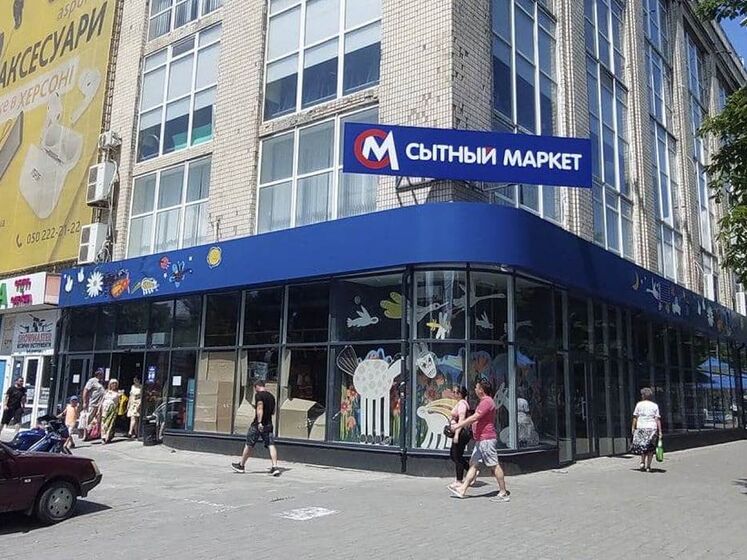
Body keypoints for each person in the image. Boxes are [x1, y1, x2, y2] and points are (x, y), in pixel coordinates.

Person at [448, 380, 510, 502]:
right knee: (474, 464)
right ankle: (462, 490)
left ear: (481, 390)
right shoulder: (483, 401)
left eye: (477, 387)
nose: (475, 390)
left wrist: (458, 425)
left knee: (494, 465)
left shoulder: (487, 402)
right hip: (480, 440)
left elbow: (475, 417)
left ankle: (503, 492)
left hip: (486, 439)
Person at [232, 380, 280, 476]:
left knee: (249, 444)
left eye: (255, 388)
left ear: (257, 386)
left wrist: (259, 422)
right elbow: (273, 412)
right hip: (269, 424)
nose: (255, 390)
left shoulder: (259, 395)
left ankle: (241, 466)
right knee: (271, 444)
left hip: (258, 425)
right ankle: (275, 467)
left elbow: (260, 408)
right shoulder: (272, 396)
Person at [630, 387, 662, 472]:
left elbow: (635, 417)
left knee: (642, 446)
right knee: (650, 448)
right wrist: (660, 431)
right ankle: (648, 466)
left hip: (641, 427)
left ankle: (642, 462)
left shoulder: (639, 405)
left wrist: (633, 427)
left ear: (643, 395)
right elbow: (657, 419)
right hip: (652, 428)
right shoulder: (655, 405)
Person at [448, 386, 471, 490]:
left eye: (455, 392)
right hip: (459, 432)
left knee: (457, 456)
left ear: (460, 394)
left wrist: (457, 434)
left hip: (461, 433)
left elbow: (461, 420)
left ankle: (459, 480)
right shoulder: (460, 403)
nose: (453, 394)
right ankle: (471, 471)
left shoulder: (462, 404)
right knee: (454, 455)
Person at [83, 368, 106, 432]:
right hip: (93, 403)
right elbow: (85, 390)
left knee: (98, 419)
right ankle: (85, 433)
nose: (102, 375)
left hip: (100, 404)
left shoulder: (102, 382)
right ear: (98, 374)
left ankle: (95, 433)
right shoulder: (92, 381)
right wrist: (84, 402)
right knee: (89, 418)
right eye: (101, 374)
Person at [100, 379, 121, 444]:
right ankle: (103, 436)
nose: (114, 385)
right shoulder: (106, 392)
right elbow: (102, 401)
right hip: (105, 409)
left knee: (110, 424)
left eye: (115, 384)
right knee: (103, 423)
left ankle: (107, 437)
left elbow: (120, 402)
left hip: (113, 409)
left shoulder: (118, 393)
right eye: (113, 383)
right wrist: (99, 410)